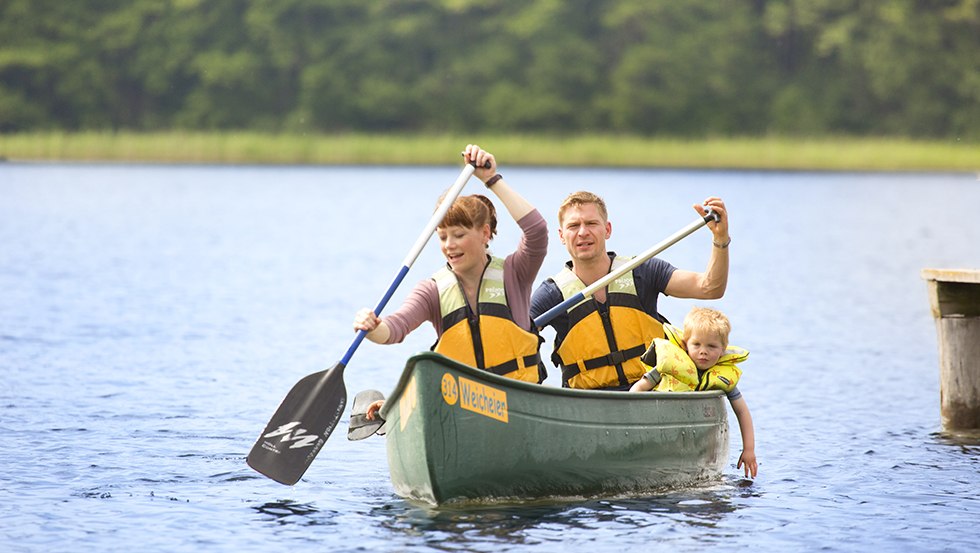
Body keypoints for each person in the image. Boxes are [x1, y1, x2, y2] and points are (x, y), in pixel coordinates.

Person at [354, 144, 549, 421]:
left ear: (484, 233)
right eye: (442, 236)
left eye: (458, 234)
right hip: (462, 411)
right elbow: (394, 329)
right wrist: (372, 327)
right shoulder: (432, 290)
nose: (449, 245)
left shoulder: (514, 273)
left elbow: (537, 231)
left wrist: (491, 179)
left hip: (519, 406)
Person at [530, 190, 730, 391]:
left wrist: (720, 238)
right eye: (573, 226)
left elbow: (710, 288)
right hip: (589, 401)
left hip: (653, 391)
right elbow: (517, 334)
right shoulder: (552, 293)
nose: (582, 232)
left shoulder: (643, 271)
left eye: (591, 223)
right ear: (562, 236)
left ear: (607, 230)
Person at [630, 307, 758, 479]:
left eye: (711, 346)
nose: (703, 351)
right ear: (685, 344)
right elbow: (637, 390)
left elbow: (742, 412)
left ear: (723, 350)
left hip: (696, 443)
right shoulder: (669, 367)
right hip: (660, 436)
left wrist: (748, 450)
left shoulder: (723, 378)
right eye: (696, 344)